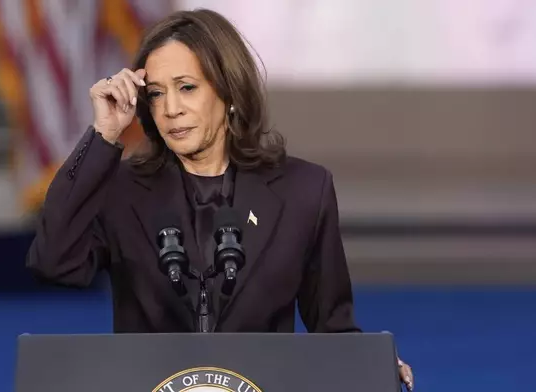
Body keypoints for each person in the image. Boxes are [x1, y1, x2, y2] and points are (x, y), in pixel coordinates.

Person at [25, 8, 414, 391]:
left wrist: (370, 366)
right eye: (157, 94)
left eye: (187, 87)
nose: (171, 109)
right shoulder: (120, 191)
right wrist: (102, 136)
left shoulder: (303, 190)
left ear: (228, 90)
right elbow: (55, 262)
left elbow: (332, 325)